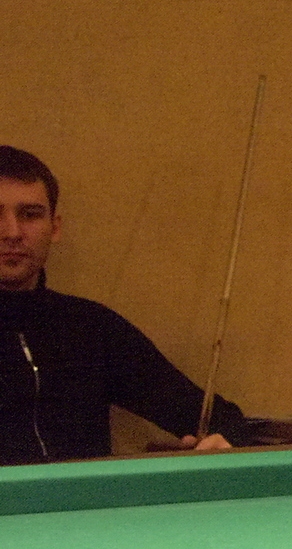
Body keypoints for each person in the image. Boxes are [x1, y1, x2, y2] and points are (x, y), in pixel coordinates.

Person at [0, 145, 249, 465]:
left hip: (86, 498)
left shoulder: (91, 328)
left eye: (30, 215)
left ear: (55, 227)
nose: (12, 233)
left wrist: (223, 439)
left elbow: (220, 420)